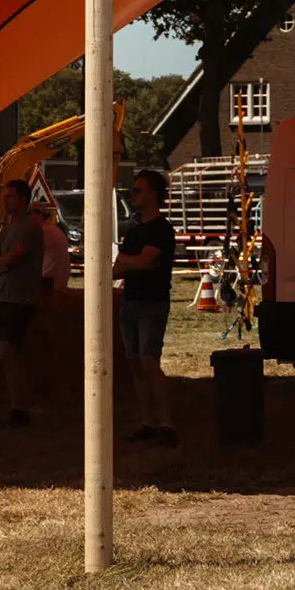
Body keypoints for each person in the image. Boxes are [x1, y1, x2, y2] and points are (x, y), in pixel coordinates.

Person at [114, 168, 179, 446]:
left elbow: (136, 263)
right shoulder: (133, 231)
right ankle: (147, 422)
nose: (133, 194)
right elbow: (118, 269)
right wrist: (137, 262)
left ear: (154, 194)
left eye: (138, 190)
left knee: (149, 361)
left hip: (152, 302)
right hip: (130, 301)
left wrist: (135, 263)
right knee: (135, 363)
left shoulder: (162, 229)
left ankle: (166, 423)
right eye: (132, 189)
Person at [0, 177, 46, 428]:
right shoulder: (7, 228)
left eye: (10, 196)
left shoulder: (31, 228)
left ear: (23, 199)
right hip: (4, 295)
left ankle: (20, 409)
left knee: (10, 351)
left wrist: (0, 264)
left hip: (20, 298)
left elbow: (8, 259)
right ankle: (16, 407)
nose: (6, 201)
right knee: (7, 353)